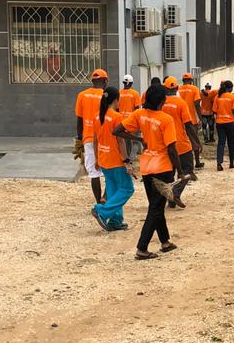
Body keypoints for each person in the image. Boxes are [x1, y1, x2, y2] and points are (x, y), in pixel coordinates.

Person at [116, 83, 184, 260]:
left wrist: (138, 138)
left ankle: (165, 242)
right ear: (162, 101)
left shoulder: (139, 114)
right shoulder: (166, 119)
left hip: (147, 167)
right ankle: (142, 248)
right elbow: (171, 149)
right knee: (155, 208)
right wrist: (180, 171)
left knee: (156, 206)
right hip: (162, 169)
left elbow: (117, 131)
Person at [91, 87, 134, 233]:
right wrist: (127, 161)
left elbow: (95, 140)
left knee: (113, 190)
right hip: (116, 160)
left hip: (103, 159)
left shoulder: (97, 116)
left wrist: (97, 158)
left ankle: (116, 221)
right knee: (127, 189)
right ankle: (101, 210)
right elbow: (121, 142)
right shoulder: (117, 117)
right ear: (116, 99)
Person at [162, 77, 200, 204]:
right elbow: (188, 125)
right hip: (181, 144)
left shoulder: (160, 103)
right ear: (177, 88)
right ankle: (176, 193)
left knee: (169, 172)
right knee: (188, 170)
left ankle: (170, 198)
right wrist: (196, 141)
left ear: (165, 89)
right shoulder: (181, 103)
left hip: (165, 144)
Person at [74, 68, 107, 204]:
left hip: (88, 138)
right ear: (105, 81)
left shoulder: (82, 95)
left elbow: (79, 119)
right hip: (105, 139)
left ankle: (98, 202)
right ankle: (105, 197)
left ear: (92, 81)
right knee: (109, 171)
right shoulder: (106, 96)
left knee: (94, 173)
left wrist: (79, 139)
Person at [178, 73, 204, 169]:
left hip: (180, 121)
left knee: (181, 141)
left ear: (183, 80)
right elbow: (197, 104)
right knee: (194, 140)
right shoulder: (194, 89)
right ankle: (197, 162)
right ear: (191, 80)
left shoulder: (178, 89)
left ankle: (181, 163)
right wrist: (200, 118)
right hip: (191, 120)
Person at [213, 80, 234, 170]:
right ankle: (231, 163)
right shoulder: (233, 97)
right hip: (231, 122)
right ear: (231, 88)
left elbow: (214, 110)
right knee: (231, 143)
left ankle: (219, 163)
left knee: (221, 143)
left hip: (220, 123)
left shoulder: (217, 97)